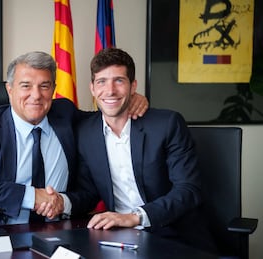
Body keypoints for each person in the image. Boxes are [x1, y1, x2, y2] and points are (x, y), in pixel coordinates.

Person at [0, 51, 148, 227]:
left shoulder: (65, 114)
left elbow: (106, 114)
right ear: (10, 89)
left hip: (55, 235)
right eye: (26, 86)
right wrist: (33, 197)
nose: (36, 95)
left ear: (53, 88)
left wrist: (131, 99)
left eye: (44, 86)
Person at [46, 48, 216, 252]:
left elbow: (189, 190)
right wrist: (61, 202)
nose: (110, 91)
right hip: (118, 239)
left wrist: (134, 217)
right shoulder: (86, 131)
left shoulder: (167, 124)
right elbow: (88, 192)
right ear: (92, 88)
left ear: (133, 86)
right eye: (101, 82)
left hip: (174, 234)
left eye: (119, 80)